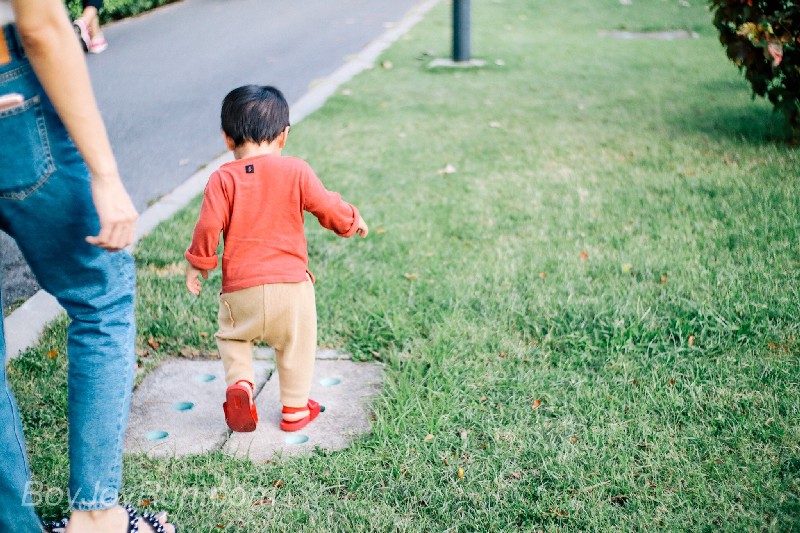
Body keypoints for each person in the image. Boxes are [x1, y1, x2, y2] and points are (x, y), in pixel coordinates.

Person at [0, 1, 175, 532]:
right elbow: (41, 25)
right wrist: (106, 174)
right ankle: (96, 515)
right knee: (100, 296)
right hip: (10, 105)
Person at [184, 85, 368, 434]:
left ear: (226, 138)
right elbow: (327, 205)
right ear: (284, 135)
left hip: (241, 291)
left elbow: (208, 225)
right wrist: (351, 221)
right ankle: (295, 409)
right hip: (291, 288)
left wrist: (200, 261)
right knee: (296, 346)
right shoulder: (296, 170)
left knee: (234, 338)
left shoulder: (222, 179)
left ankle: (241, 383)